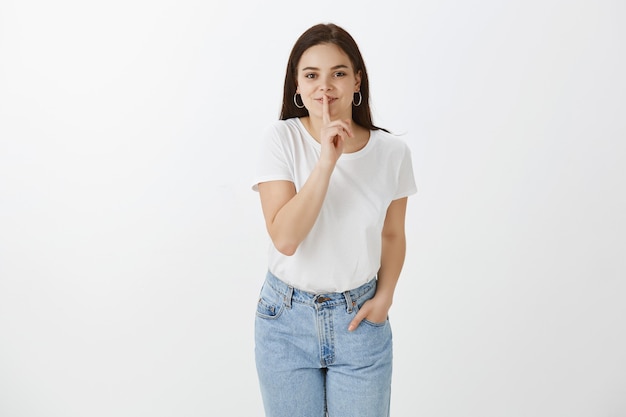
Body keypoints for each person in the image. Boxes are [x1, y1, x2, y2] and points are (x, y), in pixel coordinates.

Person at [251, 22, 417, 417]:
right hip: (284, 323)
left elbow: (393, 234)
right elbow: (286, 238)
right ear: (297, 84)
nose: (324, 87)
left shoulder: (391, 152)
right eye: (312, 75)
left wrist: (385, 297)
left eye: (338, 73)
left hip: (359, 323)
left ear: (357, 81)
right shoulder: (281, 140)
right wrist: (326, 161)